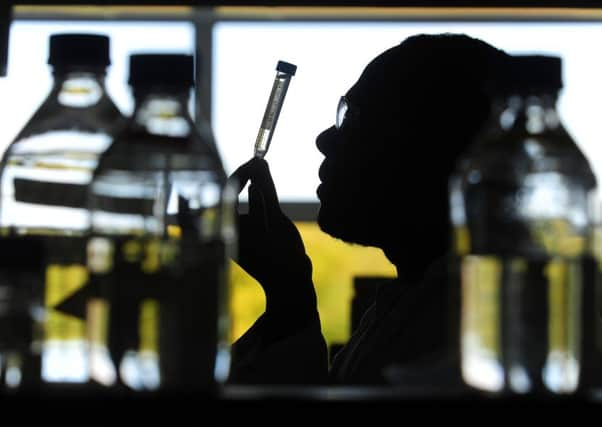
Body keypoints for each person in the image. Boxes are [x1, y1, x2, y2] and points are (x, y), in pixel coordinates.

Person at [227, 33, 510, 387]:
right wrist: (290, 294)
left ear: (429, 145)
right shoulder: (414, 301)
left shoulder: (464, 340)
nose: (325, 139)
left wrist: (289, 296)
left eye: (353, 117)